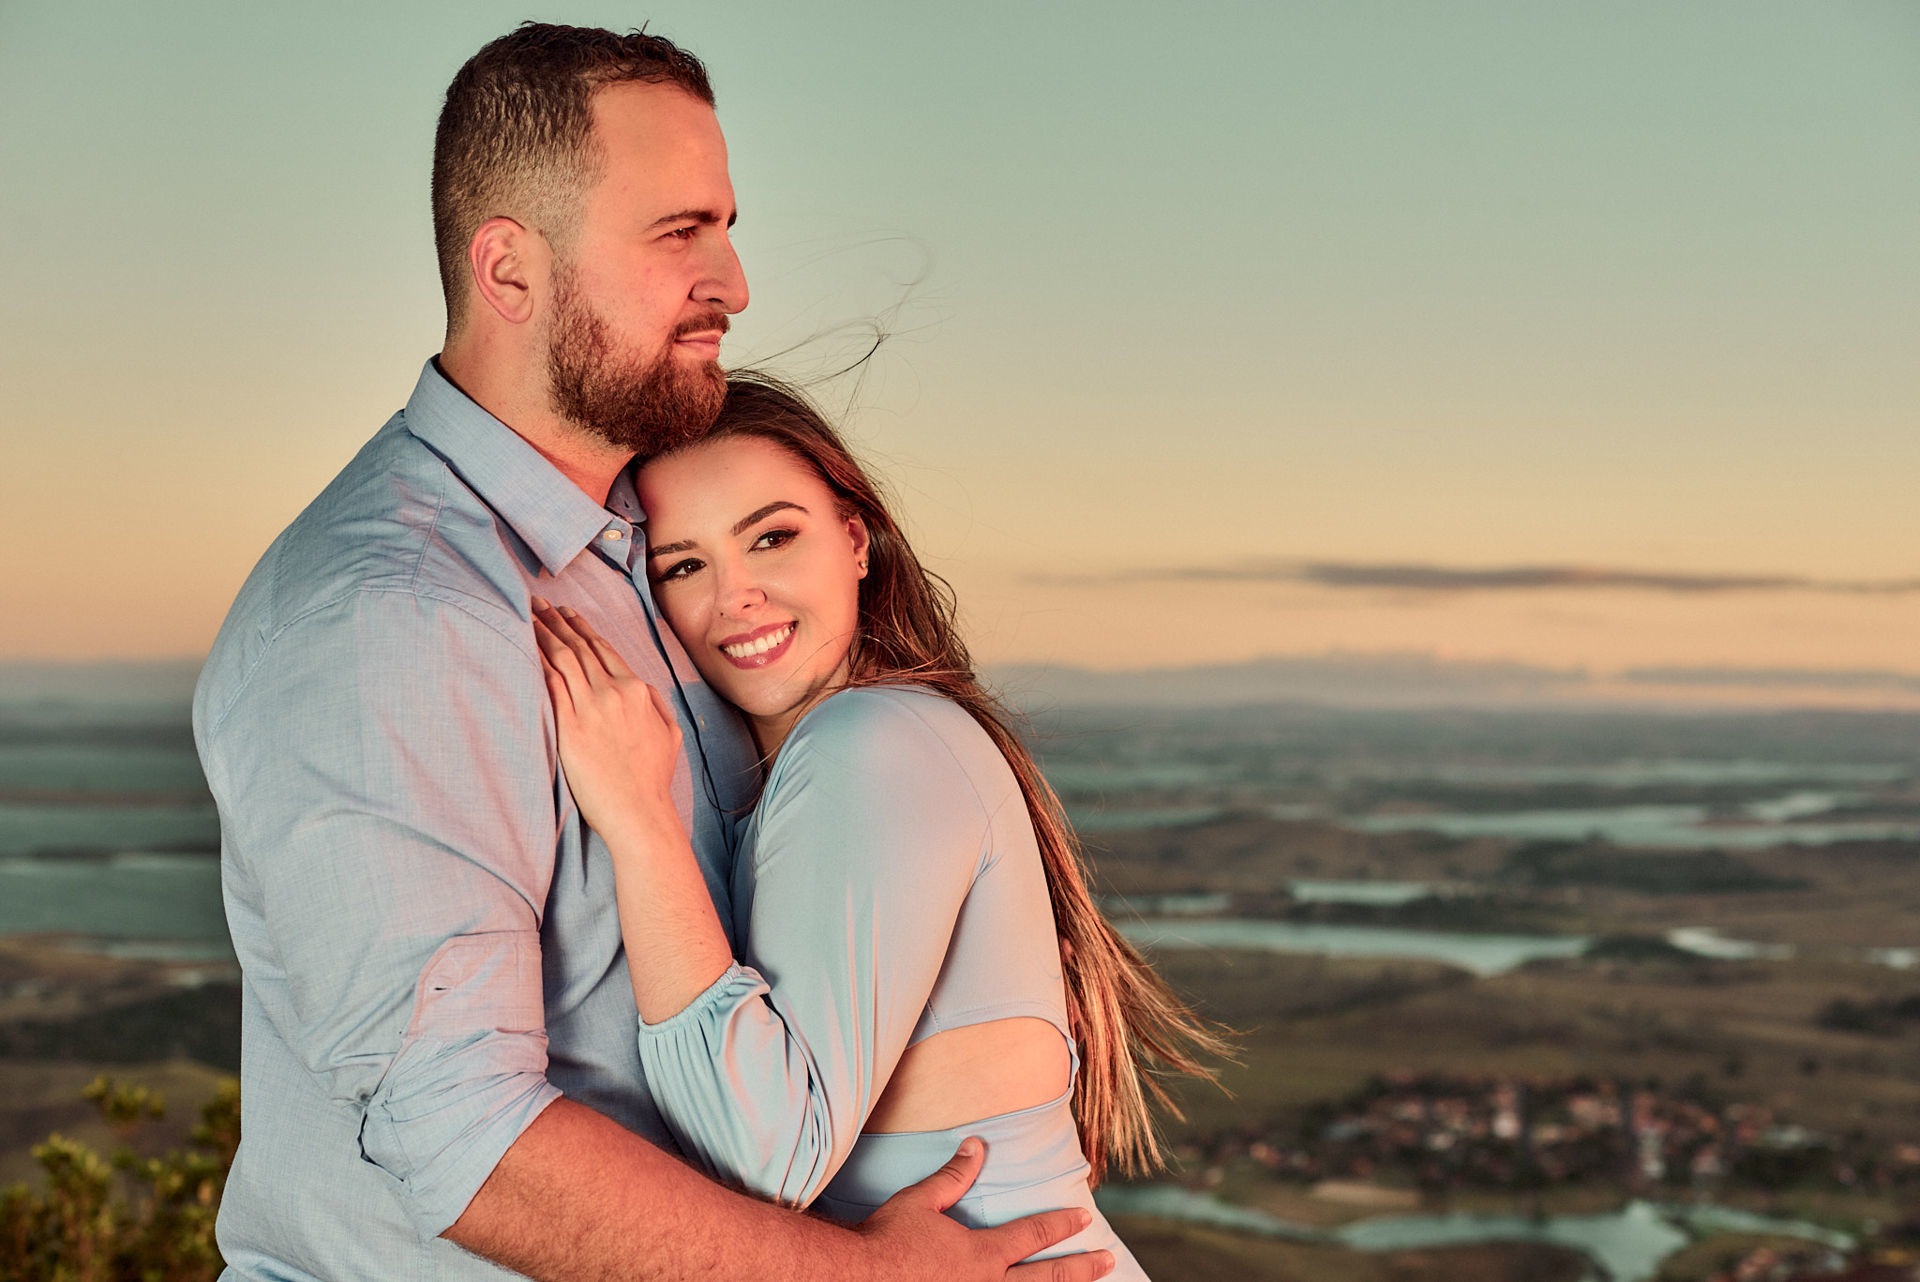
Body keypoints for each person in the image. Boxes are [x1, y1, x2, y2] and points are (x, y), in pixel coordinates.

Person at [193, 23, 1109, 1281]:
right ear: (509, 270)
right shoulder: (388, 616)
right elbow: (467, 1145)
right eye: (680, 234)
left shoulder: (647, 548)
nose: (734, 282)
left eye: (726, 228)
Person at [529, 374, 1226, 1280]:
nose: (735, 596)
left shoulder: (871, 741)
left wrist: (638, 823)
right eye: (684, 566)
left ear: (856, 541)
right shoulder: (837, 759)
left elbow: (766, 1156)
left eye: (772, 537)